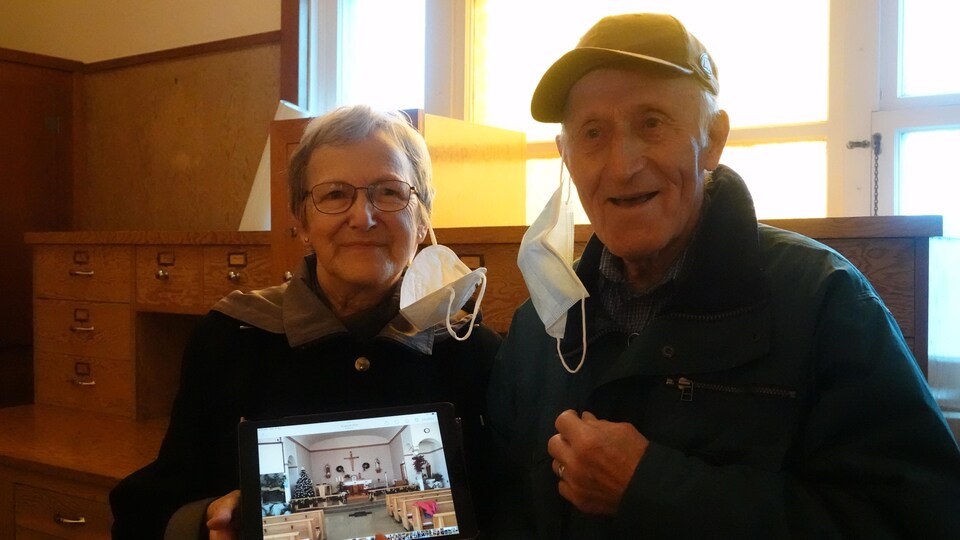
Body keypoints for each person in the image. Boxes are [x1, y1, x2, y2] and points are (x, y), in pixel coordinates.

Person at [487, 13, 960, 539]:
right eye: (593, 133)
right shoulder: (539, 330)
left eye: (651, 123)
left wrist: (655, 489)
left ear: (713, 139)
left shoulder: (826, 303)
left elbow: (920, 519)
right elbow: (504, 504)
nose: (622, 165)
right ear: (566, 156)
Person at [110, 105, 501, 539]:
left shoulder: (471, 350)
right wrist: (206, 522)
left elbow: (506, 504)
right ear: (301, 222)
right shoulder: (231, 339)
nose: (363, 217)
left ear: (423, 219)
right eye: (334, 195)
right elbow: (151, 505)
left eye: (390, 192)